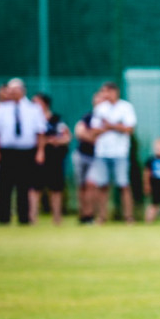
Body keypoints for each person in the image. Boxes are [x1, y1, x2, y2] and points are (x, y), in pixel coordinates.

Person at [0, 78, 46, 225]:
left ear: (22, 90)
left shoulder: (33, 108)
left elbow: (40, 131)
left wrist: (40, 151)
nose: (12, 93)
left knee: (24, 186)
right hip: (7, 151)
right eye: (10, 90)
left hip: (26, 151)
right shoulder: (1, 108)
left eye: (15, 90)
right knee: (5, 185)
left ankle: (24, 217)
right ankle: (3, 218)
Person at [86, 81, 137, 224]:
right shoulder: (100, 108)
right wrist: (116, 127)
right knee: (102, 185)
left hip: (120, 152)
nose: (105, 94)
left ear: (115, 92)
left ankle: (129, 217)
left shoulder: (126, 107)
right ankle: (102, 217)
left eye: (107, 91)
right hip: (102, 152)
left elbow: (130, 129)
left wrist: (109, 125)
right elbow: (94, 130)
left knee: (124, 185)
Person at [30, 93, 71, 226]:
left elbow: (66, 137)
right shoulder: (32, 119)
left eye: (37, 102)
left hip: (55, 158)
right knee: (36, 187)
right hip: (38, 157)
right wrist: (45, 142)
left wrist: (57, 141)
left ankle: (57, 218)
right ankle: (32, 217)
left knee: (56, 188)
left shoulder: (56, 119)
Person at [73, 90, 105, 224]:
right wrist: (94, 135)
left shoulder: (107, 119)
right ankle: (82, 214)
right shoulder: (88, 117)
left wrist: (93, 134)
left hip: (97, 157)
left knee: (91, 185)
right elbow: (79, 132)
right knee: (81, 186)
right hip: (82, 154)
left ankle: (90, 215)